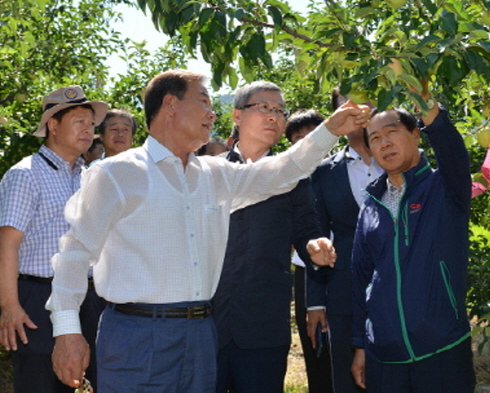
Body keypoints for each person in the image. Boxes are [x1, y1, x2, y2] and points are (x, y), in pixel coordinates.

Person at [46, 69, 370, 393]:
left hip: (202, 333)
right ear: (170, 104)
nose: (212, 113)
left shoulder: (214, 175)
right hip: (138, 334)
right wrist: (67, 332)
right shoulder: (117, 173)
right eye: (204, 101)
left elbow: (281, 172)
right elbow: (74, 253)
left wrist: (329, 131)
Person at [350, 98, 476, 392]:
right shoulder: (370, 206)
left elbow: (453, 151)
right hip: (383, 353)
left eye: (392, 132)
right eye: (375, 138)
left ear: (417, 134)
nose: (384, 143)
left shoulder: (445, 187)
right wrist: (360, 345)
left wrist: (427, 104)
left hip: (442, 346)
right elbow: (360, 278)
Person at [213, 84, 330, 393]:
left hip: (263, 323)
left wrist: (314, 247)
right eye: (264, 108)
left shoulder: (292, 176)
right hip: (208, 321)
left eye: (280, 111)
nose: (274, 117)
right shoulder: (210, 171)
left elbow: (306, 229)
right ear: (237, 115)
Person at [0, 85, 108, 393]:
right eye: (79, 121)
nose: (88, 129)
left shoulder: (90, 176)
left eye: (91, 123)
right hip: (38, 299)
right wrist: (9, 305)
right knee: (41, 382)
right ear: (53, 125)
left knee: (92, 382)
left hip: (90, 298)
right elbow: (7, 244)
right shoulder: (26, 174)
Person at [307, 90, 383, 393]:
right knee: (347, 375)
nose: (357, 111)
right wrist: (316, 300)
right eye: (346, 105)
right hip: (344, 288)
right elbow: (316, 235)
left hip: (399, 286)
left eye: (366, 102)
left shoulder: (398, 159)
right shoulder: (325, 172)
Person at [285, 109, 334, 393]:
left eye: (312, 137)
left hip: (346, 268)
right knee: (316, 345)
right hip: (307, 272)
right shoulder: (286, 178)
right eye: (298, 139)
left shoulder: (342, 171)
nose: (306, 144)